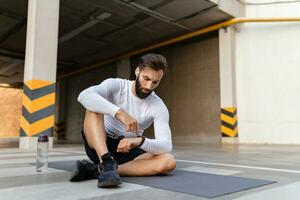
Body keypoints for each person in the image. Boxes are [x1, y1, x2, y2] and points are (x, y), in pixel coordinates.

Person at [70, 53, 176, 188]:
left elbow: (166, 145)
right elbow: (84, 96)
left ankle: (96, 170)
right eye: (146, 78)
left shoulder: (158, 106)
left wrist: (139, 141)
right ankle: (106, 161)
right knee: (93, 106)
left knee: (168, 161)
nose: (149, 86)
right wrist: (119, 113)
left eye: (155, 82)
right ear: (137, 71)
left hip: (127, 149)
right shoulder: (116, 85)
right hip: (100, 144)